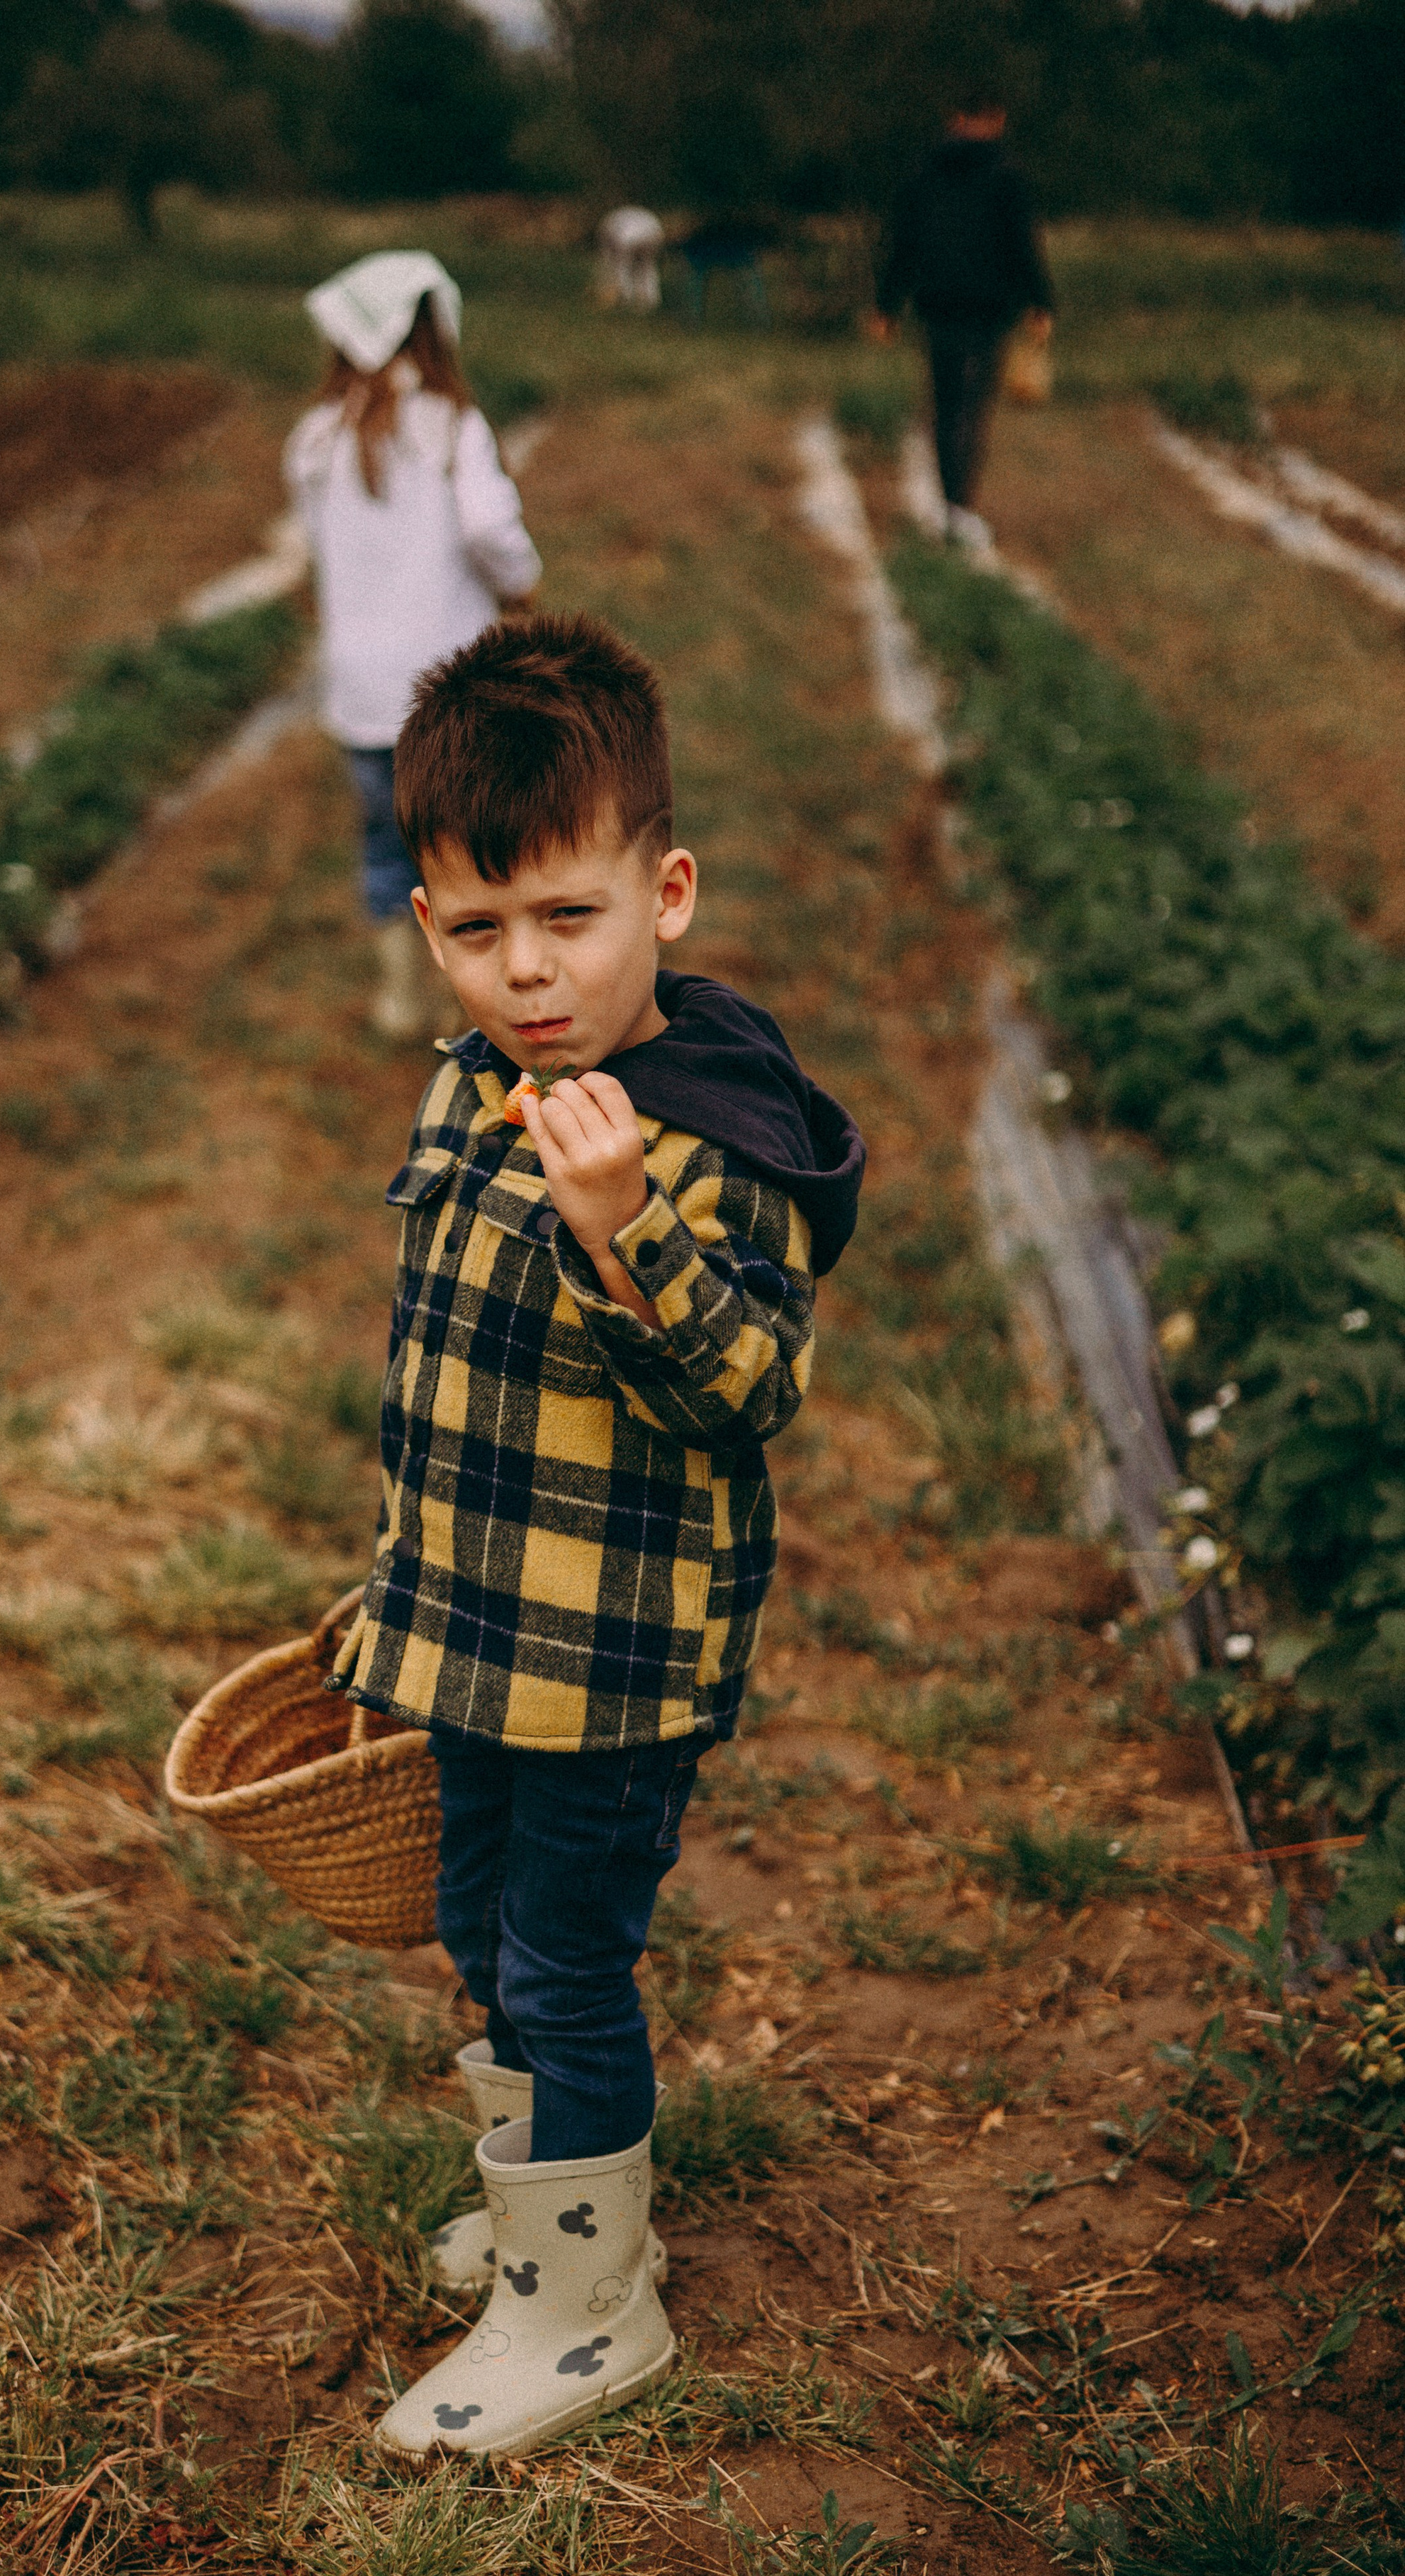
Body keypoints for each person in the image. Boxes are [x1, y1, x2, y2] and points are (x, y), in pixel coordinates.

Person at [327, 612, 865, 2458]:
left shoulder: (713, 1142)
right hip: (485, 1632)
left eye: (570, 918)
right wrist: (399, 1588)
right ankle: (552, 2211)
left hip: (612, 1666)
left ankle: (583, 2311)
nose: (529, 973)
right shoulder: (470, 1092)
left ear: (669, 892)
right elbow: (443, 1380)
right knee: (477, 1927)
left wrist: (628, 1226)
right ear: (428, 926)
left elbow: (749, 1389)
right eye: (479, 932)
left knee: (565, 1958)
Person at [284, 252, 542, 1040]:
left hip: (360, 692)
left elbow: (311, 543)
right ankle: (482, 1005)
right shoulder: (449, 426)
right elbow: (488, 526)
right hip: (446, 689)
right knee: (469, 846)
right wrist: (519, 583)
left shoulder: (315, 439)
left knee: (385, 845)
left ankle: (402, 1002)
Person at [870, 89, 1054, 552]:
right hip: (990, 307)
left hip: (937, 303)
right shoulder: (1009, 176)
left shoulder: (923, 173)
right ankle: (961, 507)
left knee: (947, 404)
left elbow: (903, 244)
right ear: (995, 119)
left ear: (953, 119)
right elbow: (1023, 244)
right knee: (975, 409)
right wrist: (1040, 302)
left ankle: (952, 507)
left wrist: (887, 306)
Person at [596, 206, 664, 313]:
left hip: (628, 237)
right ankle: (651, 299)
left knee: (622, 266)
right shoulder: (619, 217)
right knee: (647, 266)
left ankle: (626, 297)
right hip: (653, 233)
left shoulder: (608, 224)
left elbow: (608, 257)